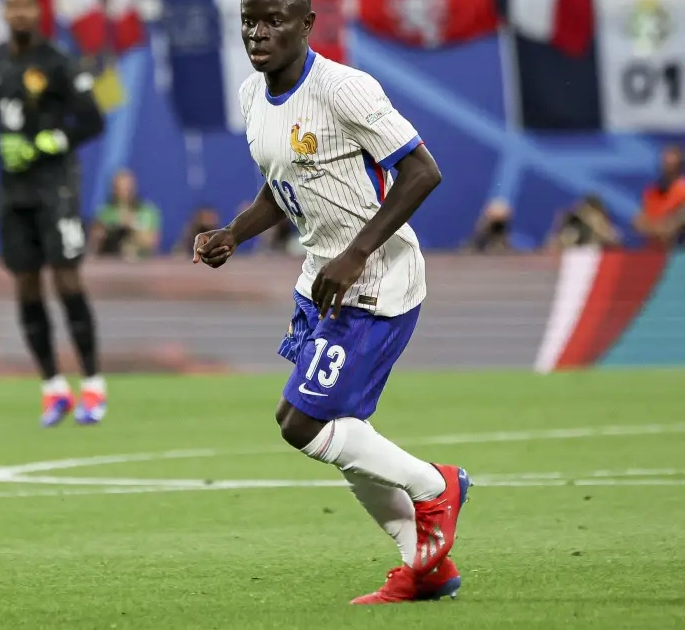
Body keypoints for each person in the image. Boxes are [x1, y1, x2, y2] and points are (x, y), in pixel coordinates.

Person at [192, 0, 469, 605]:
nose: (258, 33)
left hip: (376, 282)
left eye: (274, 20)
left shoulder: (344, 89)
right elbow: (285, 183)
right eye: (249, 21)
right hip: (321, 281)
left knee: (303, 422)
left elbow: (422, 172)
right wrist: (234, 233)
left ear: (306, 24)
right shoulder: (251, 97)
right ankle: (424, 568)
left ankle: (435, 485)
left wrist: (357, 253)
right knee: (336, 428)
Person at [0, 0, 107, 426]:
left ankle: (92, 385)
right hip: (13, 192)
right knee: (25, 282)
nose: (20, 14)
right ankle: (53, 388)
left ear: (38, 13)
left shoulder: (59, 62)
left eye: (27, 6)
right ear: (4, 13)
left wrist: (47, 142)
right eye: (13, 7)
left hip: (55, 185)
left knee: (66, 278)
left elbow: (93, 121)